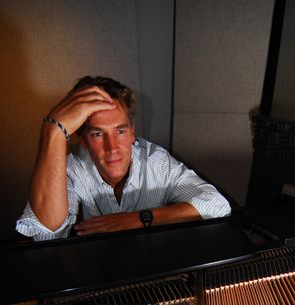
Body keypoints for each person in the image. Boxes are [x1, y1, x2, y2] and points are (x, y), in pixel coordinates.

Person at [16, 76, 231, 241]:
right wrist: (52, 130)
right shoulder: (71, 167)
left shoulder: (156, 160)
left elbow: (217, 205)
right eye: (98, 134)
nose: (113, 148)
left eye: (120, 131)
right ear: (82, 140)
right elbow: (46, 234)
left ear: (132, 132)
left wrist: (137, 219)